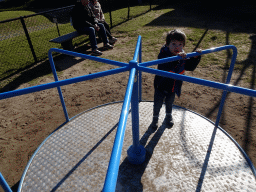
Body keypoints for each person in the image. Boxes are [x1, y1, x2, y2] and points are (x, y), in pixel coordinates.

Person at [151, 29, 202, 129]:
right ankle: (155, 118)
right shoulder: (163, 55)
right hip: (160, 86)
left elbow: (190, 67)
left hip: (173, 87)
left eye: (180, 44)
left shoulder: (182, 56)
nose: (177, 47)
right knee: (157, 104)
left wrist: (196, 57)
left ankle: (168, 116)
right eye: (173, 44)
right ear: (167, 44)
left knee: (170, 103)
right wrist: (177, 59)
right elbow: (166, 67)